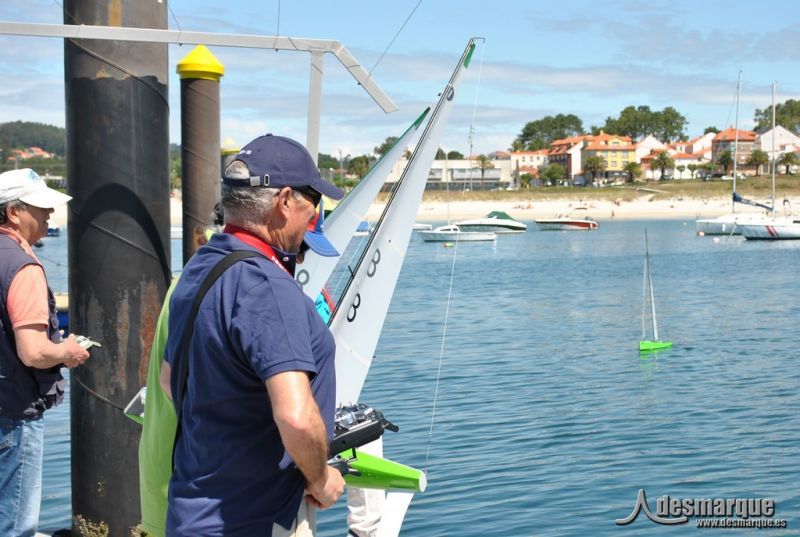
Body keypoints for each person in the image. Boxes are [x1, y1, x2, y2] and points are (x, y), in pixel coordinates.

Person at [163, 134, 346, 536]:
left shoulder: (201, 268)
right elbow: (296, 417)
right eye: (312, 202)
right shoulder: (268, 287)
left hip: (191, 513)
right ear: (284, 201)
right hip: (249, 520)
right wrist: (320, 478)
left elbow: (168, 378)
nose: (313, 214)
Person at [0, 168, 91, 536]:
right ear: (12, 213)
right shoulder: (23, 267)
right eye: (40, 208)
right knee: (16, 524)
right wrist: (67, 350)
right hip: (14, 413)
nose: (49, 216)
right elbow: (34, 352)